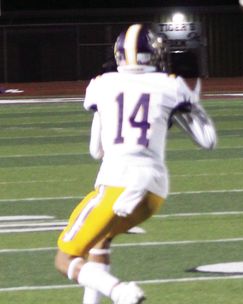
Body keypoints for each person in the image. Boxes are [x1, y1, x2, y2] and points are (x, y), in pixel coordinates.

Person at [54, 23, 202, 304]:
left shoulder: (103, 85)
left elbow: (95, 150)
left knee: (64, 259)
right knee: (101, 240)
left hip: (116, 183)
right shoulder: (167, 86)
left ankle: (120, 292)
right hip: (154, 190)